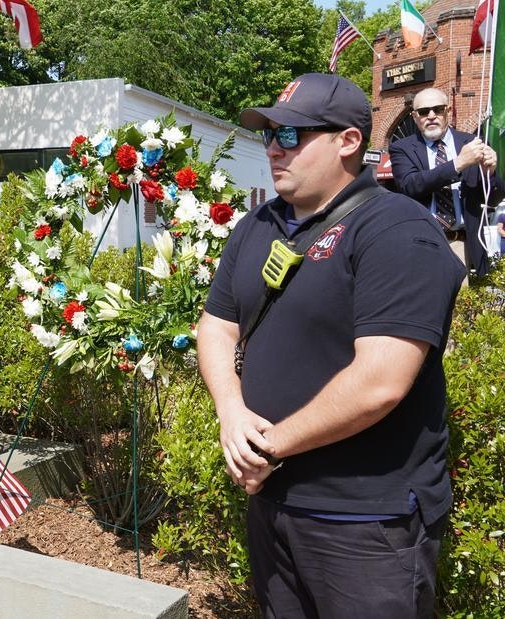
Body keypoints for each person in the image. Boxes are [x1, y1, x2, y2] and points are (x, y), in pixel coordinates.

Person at [199, 73, 465, 617]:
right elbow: (216, 326)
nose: (275, 147)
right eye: (269, 134)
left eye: (292, 136)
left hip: (366, 523)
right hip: (271, 502)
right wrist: (231, 413)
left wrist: (269, 448)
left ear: (348, 141)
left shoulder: (397, 230)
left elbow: (380, 382)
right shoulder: (257, 225)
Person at [390, 87, 504, 277]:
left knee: (465, 306)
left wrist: (490, 174)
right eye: (424, 111)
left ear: (448, 111)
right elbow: (410, 186)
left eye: (438, 109)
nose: (432, 116)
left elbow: (492, 200)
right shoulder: (402, 148)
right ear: (415, 117)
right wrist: (457, 164)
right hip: (423, 244)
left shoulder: (473, 143)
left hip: (465, 245)